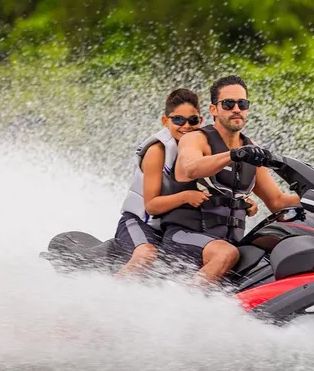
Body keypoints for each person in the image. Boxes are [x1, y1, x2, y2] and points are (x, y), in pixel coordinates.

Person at [159, 75, 300, 284]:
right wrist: (233, 154)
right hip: (184, 236)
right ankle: (183, 307)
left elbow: (277, 201)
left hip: (228, 242)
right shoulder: (196, 138)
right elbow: (190, 168)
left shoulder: (250, 149)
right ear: (214, 109)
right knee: (226, 254)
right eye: (228, 103)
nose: (237, 109)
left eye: (242, 104)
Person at [114, 88, 258, 277]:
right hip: (140, 222)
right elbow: (151, 207)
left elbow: (219, 187)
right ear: (165, 121)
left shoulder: (197, 148)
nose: (186, 126)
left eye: (193, 120)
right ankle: (109, 296)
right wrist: (185, 197)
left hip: (169, 228)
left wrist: (244, 201)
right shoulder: (157, 151)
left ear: (201, 120)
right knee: (146, 255)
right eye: (178, 120)